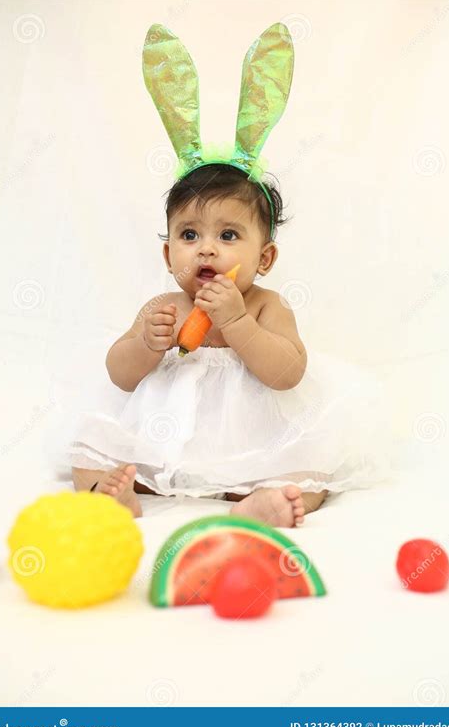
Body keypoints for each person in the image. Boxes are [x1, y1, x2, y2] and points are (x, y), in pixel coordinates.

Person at [70, 162, 392, 526]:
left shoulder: (266, 305)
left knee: (312, 473)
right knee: (90, 448)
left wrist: (239, 324)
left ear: (264, 258)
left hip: (251, 446)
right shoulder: (163, 308)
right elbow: (120, 375)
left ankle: (259, 503)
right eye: (189, 235)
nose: (206, 250)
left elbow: (287, 374)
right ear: (168, 255)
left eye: (228, 236)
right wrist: (146, 344)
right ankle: (115, 497)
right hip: (166, 444)